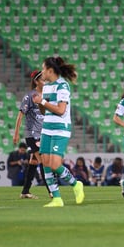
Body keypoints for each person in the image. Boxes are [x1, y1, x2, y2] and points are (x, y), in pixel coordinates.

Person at [31, 56, 84, 207]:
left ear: (50, 70)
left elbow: (61, 111)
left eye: (43, 69)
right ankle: (56, 198)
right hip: (47, 127)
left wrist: (42, 101)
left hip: (61, 128)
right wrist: (40, 101)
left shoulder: (63, 86)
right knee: (46, 163)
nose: (42, 72)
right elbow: (44, 110)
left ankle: (76, 184)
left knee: (55, 164)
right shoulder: (46, 86)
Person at [13, 70, 51, 199]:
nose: (45, 82)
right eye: (42, 80)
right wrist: (16, 133)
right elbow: (20, 115)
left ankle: (25, 191)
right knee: (44, 161)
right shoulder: (29, 96)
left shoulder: (45, 96)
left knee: (34, 161)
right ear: (36, 81)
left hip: (43, 134)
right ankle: (52, 191)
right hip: (32, 135)